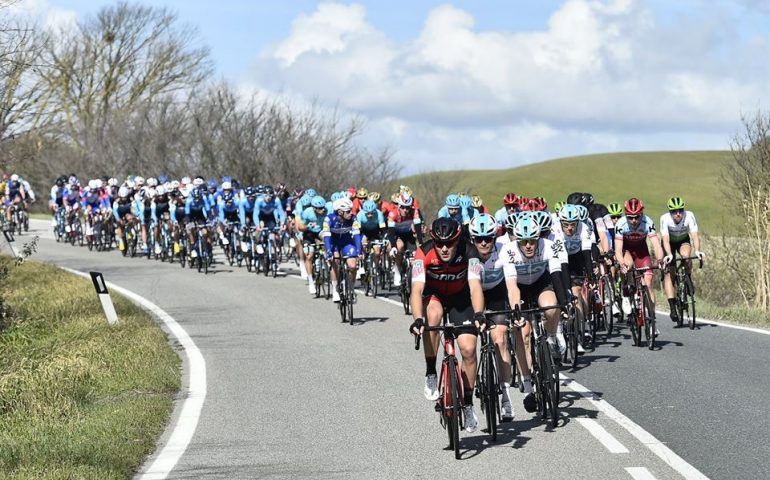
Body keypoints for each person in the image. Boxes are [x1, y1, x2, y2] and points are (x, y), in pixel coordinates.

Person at [408, 217, 484, 433]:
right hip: (435, 296)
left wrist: (479, 314)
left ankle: (468, 404)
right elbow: (416, 289)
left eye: (449, 243)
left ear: (457, 240)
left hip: (461, 298)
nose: (444, 248)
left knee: (468, 349)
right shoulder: (422, 253)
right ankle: (431, 371)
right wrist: (417, 319)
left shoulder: (470, 251)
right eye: (439, 243)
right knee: (432, 317)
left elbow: (476, 286)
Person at [500, 212, 569, 412]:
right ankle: (528, 386)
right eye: (524, 242)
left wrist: (564, 304)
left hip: (540, 283)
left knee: (551, 307)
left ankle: (551, 335)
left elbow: (556, 275)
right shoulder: (509, 251)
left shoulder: (549, 246)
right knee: (523, 334)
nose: (529, 245)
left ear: (539, 238)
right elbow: (512, 287)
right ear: (518, 240)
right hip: (519, 288)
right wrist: (515, 311)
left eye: (532, 241)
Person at [467, 213, 515, 421]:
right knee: (468, 344)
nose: (484, 243)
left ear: (495, 238)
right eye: (479, 239)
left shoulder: (504, 251)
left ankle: (505, 395)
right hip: (471, 296)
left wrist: (515, 308)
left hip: (496, 293)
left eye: (488, 238)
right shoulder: (467, 255)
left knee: (500, 339)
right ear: (472, 239)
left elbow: (512, 285)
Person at [614, 197, 664, 329]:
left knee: (648, 282)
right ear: (626, 216)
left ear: (641, 214)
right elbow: (618, 249)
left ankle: (652, 319)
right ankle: (625, 292)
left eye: (637, 217)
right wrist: (621, 264)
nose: (634, 220)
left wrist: (660, 260)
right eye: (630, 217)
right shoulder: (620, 224)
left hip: (642, 252)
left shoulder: (648, 222)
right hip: (626, 251)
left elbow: (656, 245)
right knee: (628, 265)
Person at [659, 196, 704, 323]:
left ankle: (688, 277)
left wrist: (698, 251)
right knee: (670, 273)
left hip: (683, 240)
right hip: (669, 244)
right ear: (670, 212)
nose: (678, 214)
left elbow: (695, 236)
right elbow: (666, 240)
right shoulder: (665, 219)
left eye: (680, 210)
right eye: (674, 211)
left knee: (686, 256)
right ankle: (673, 307)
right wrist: (668, 254)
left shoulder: (689, 215)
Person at [321, 197, 361, 303]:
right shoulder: (329, 219)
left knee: (352, 265)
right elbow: (326, 237)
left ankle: (351, 289)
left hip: (347, 241)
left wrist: (359, 251)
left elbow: (357, 235)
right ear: (340, 212)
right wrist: (329, 251)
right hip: (333, 242)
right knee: (335, 261)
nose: (350, 213)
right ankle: (335, 289)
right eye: (348, 211)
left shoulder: (353, 218)